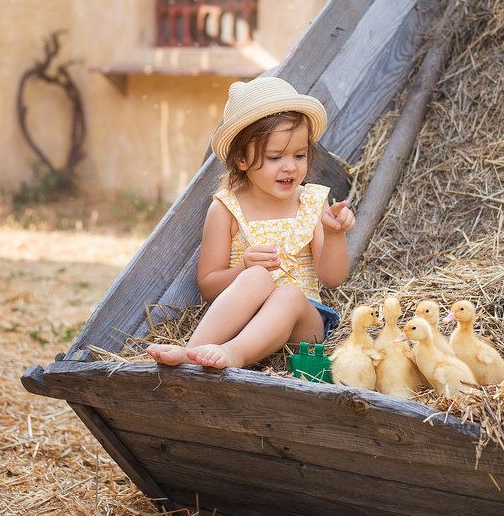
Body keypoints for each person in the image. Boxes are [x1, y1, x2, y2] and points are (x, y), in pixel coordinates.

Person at [146, 76, 355, 369]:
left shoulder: (312, 202)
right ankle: (192, 352)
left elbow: (332, 279)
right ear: (241, 160)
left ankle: (235, 354)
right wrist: (244, 268)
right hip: (244, 322)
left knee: (289, 295)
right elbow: (209, 287)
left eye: (299, 155)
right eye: (275, 157)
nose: (290, 166)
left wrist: (334, 235)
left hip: (303, 326)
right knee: (256, 277)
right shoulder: (226, 209)